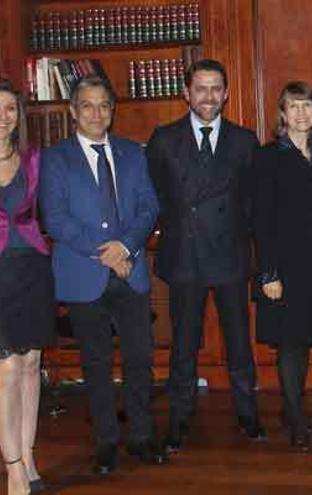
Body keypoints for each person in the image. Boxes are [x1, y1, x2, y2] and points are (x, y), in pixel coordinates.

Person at [39, 74, 166, 475]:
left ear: (112, 112)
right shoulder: (55, 159)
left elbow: (149, 207)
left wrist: (126, 246)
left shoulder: (133, 153)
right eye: (88, 106)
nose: (97, 113)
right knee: (95, 364)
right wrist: (108, 254)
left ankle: (142, 437)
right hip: (84, 275)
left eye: (104, 106)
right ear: (74, 112)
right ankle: (106, 443)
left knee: (139, 359)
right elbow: (56, 219)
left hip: (131, 274)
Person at [146, 59, 265, 452]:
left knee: (238, 342)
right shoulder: (163, 139)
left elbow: (252, 202)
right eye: (201, 88)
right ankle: (179, 419)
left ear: (226, 93)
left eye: (216, 89)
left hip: (230, 253)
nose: (209, 97)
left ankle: (248, 414)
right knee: (183, 343)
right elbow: (157, 195)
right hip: (185, 254)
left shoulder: (244, 141)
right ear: (186, 93)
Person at [253, 81, 312, 452]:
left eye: (307, 106)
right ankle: (296, 420)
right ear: (282, 115)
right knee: (289, 343)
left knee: (302, 342)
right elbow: (261, 219)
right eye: (293, 107)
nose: (301, 113)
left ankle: (292, 410)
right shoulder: (268, 157)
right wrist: (268, 272)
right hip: (282, 268)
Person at [0, 80, 55, 495]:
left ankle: (29, 452)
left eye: (11, 110)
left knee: (32, 365)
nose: (3, 118)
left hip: (33, 270)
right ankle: (13, 467)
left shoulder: (34, 160)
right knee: (6, 372)